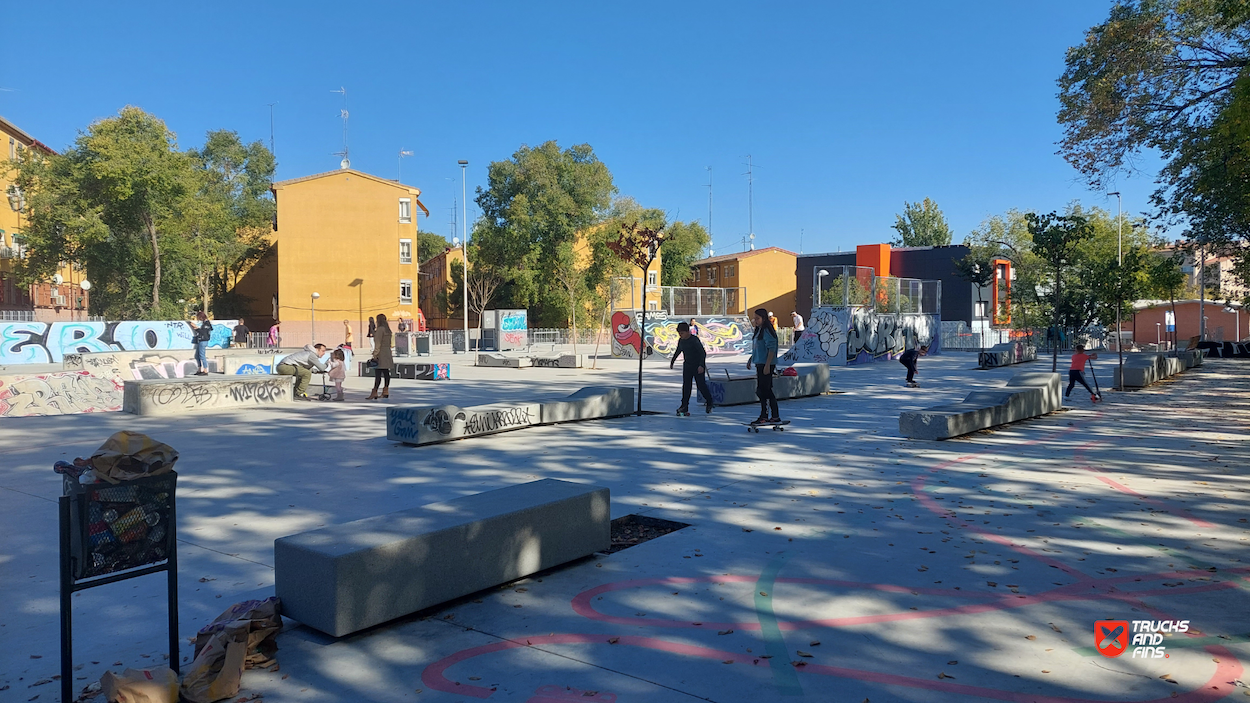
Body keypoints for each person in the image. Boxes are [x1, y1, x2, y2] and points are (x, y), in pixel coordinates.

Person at [671, 322, 713, 415]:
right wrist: (672, 361)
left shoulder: (694, 340)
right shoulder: (681, 340)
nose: (680, 335)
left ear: (687, 332)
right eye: (679, 333)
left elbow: (702, 353)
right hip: (687, 366)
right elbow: (678, 350)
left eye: (682, 333)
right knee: (686, 386)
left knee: (701, 385)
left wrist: (701, 365)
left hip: (697, 366)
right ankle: (684, 406)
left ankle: (709, 401)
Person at [746, 308, 779, 424]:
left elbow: (771, 348)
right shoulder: (758, 330)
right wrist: (751, 359)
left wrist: (767, 365)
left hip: (766, 364)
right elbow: (757, 348)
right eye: (755, 318)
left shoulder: (767, 331)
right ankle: (766, 414)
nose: (755, 320)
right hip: (759, 363)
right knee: (762, 390)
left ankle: (771, 415)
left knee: (764, 390)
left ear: (764, 319)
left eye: (758, 318)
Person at [368, 313, 394, 400]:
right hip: (387, 352)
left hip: (381, 352)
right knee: (386, 372)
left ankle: (374, 391)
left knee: (378, 373)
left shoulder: (380, 329)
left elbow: (378, 343)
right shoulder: (388, 330)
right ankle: (385, 390)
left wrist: (375, 355)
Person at [192, 311, 213, 376]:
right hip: (201, 340)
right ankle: (199, 369)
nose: (199, 320)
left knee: (202, 355)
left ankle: (205, 370)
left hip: (203, 341)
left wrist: (196, 327)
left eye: (199, 318)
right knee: (197, 355)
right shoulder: (206, 324)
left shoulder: (206, 324)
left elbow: (203, 332)